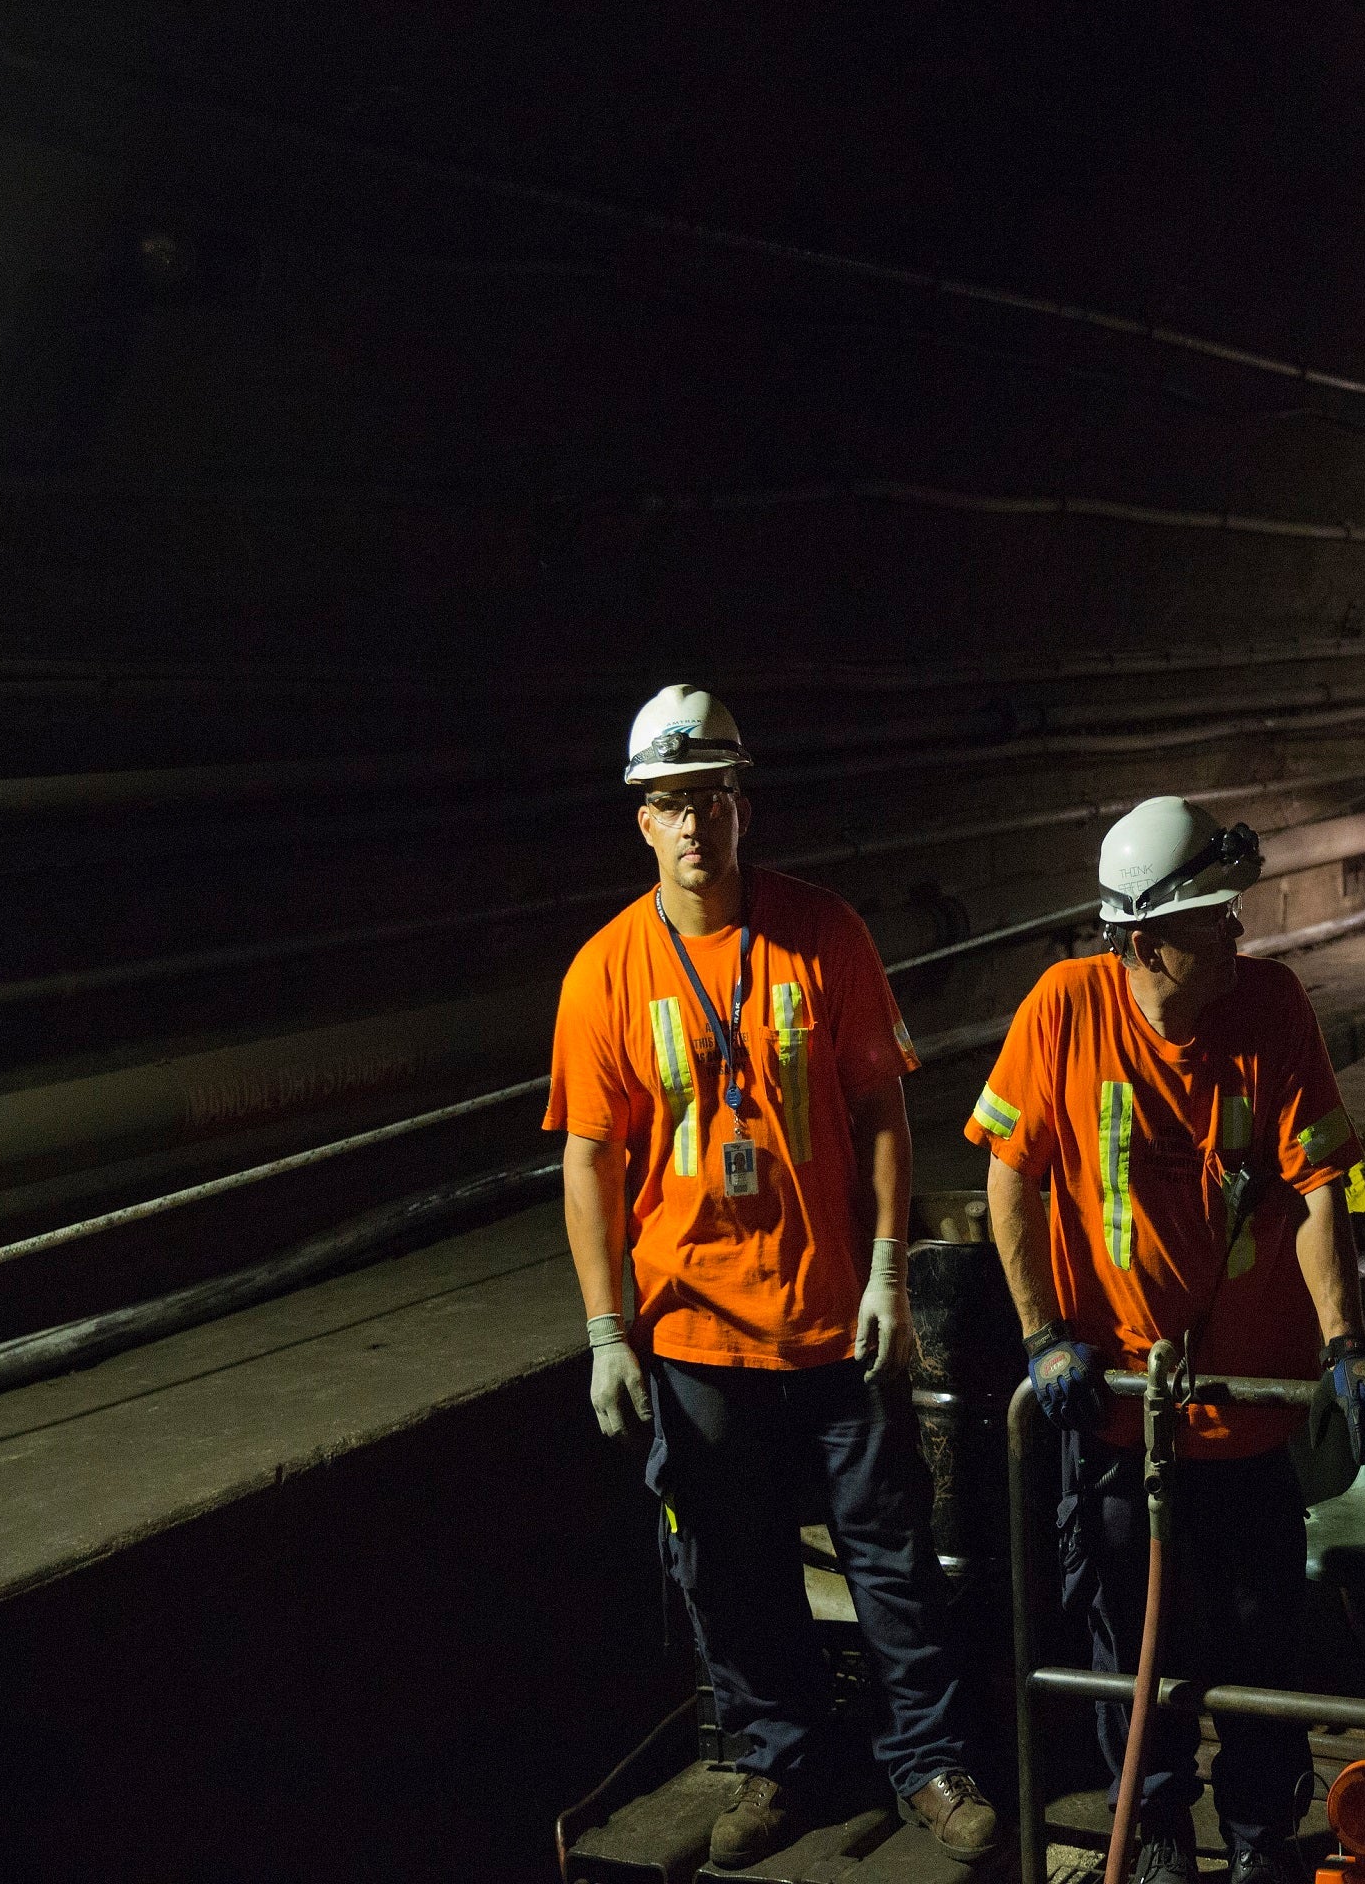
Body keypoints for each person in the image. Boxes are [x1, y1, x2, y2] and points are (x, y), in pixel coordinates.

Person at [547, 685, 999, 1871]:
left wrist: (889, 1274)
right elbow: (589, 1163)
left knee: (887, 1552)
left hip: (831, 1318)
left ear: (742, 805)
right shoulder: (604, 973)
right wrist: (608, 1332)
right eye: (667, 805)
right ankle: (777, 1759)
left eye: (709, 799)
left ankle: (929, 1764)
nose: (692, 825)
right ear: (640, 822)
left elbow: (883, 1110)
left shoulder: (823, 934)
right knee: (731, 1567)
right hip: (694, 1332)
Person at [969, 797, 1365, 1884]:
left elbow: (1316, 1188)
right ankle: (1156, 1828)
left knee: (1263, 1633)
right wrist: (1044, 1337)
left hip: (1248, 1408)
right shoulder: (1064, 1010)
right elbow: (1009, 1175)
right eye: (1212, 917)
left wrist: (1347, 1344)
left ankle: (1261, 1832)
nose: (1235, 934)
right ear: (1137, 939)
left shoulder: (1270, 1007)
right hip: (1119, 1406)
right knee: (1134, 1644)